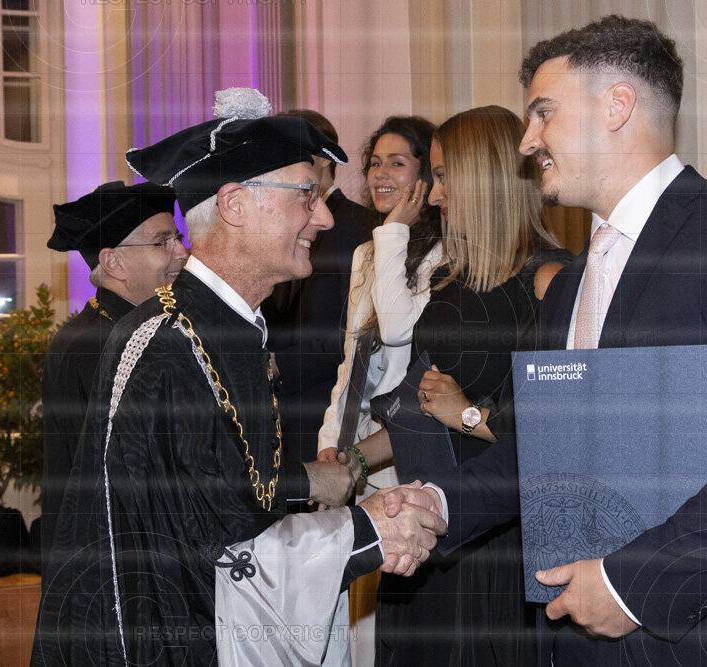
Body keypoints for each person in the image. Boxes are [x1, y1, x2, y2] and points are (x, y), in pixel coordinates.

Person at [388, 15, 707, 665]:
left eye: (543, 114)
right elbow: (544, 453)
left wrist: (634, 584)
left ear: (617, 105)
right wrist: (435, 502)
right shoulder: (567, 287)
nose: (528, 141)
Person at [31, 90, 446, 667]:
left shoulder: (228, 327)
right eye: (306, 195)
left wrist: (331, 498)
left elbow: (229, 493)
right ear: (234, 205)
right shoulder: (165, 343)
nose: (325, 217)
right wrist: (365, 531)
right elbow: (209, 539)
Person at [329, 106, 570, 666]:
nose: (434, 195)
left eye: (443, 177)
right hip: (429, 537)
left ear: (485, 180)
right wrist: (353, 464)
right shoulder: (447, 281)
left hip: (502, 540)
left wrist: (468, 417)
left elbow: (562, 437)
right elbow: (419, 404)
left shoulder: (552, 281)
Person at [315, 114, 444, 665]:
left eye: (397, 163)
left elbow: (396, 329)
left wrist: (393, 231)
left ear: (427, 176)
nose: (380, 175)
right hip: (358, 440)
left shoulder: (447, 253)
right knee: (354, 613)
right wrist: (331, 441)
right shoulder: (366, 254)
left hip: (408, 444)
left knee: (392, 605)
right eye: (374, 163)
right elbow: (353, 360)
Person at [41, 181, 188, 570]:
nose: (182, 252)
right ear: (113, 262)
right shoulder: (89, 346)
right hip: (111, 560)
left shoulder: (146, 327)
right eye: (162, 242)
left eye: (178, 238)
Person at [262, 109, 372, 464]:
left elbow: (359, 330)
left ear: (324, 159)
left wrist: (282, 363)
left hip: (323, 411)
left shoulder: (360, 224)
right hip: (273, 411)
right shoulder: (274, 223)